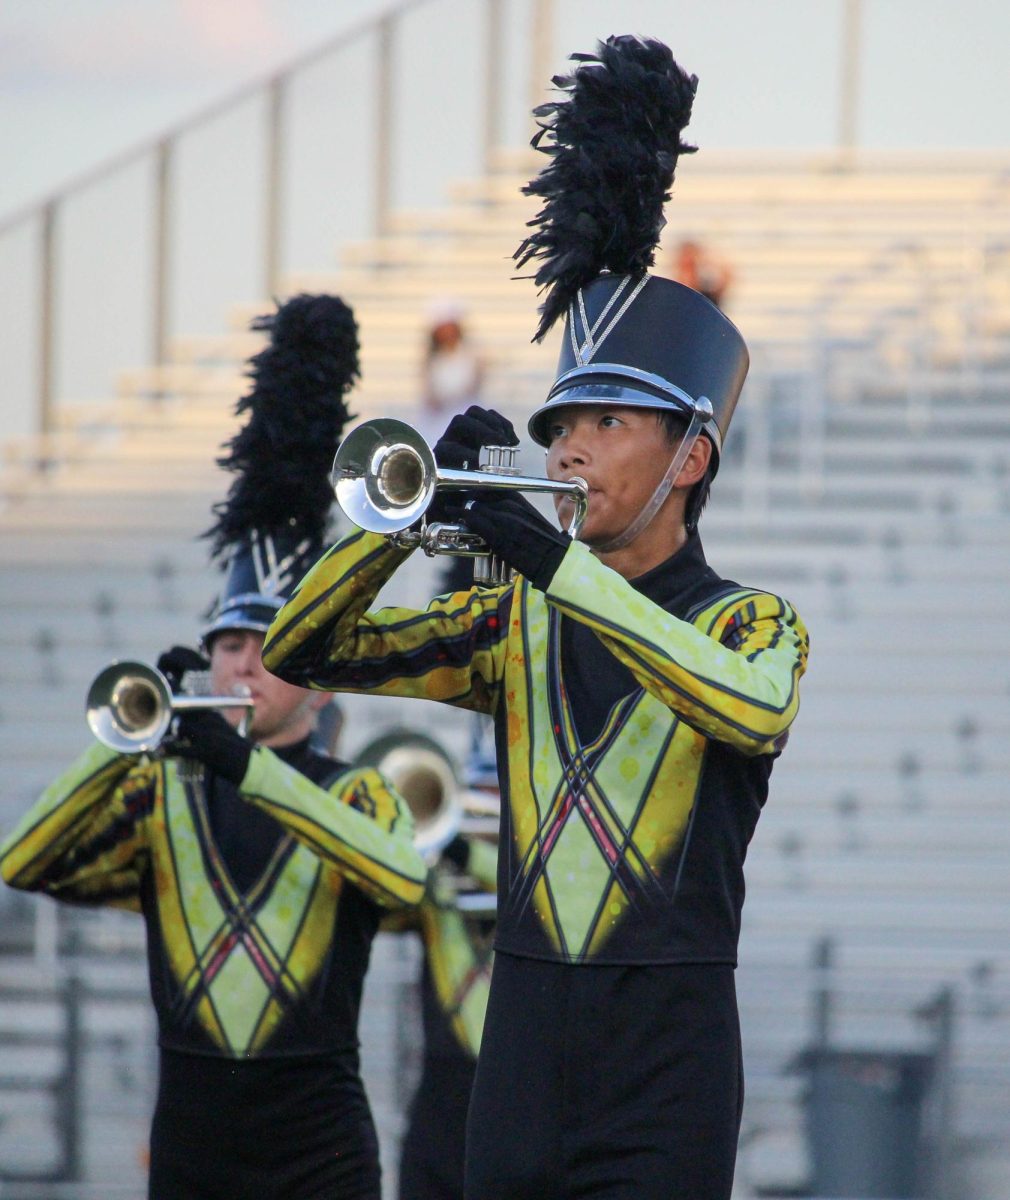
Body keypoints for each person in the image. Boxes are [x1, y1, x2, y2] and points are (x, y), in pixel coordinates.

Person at [262, 37, 809, 1200]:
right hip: (513, 1069)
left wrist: (548, 566)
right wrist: (401, 520)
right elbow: (303, 651)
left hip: (665, 1077)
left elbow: (750, 715)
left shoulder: (750, 623)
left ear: (690, 455)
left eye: (608, 421)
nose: (566, 445)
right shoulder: (506, 624)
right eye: (561, 419)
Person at [1, 293, 427, 1200]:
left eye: (268, 652)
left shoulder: (356, 796)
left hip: (323, 1160)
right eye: (229, 645)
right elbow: (22, 860)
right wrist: (128, 738)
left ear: (314, 674)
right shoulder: (163, 797)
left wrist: (250, 768)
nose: (241, 669)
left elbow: (401, 882)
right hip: (192, 1160)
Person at [417, 298, 485, 449]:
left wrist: (452, 400)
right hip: (437, 420)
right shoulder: (431, 359)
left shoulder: (471, 355)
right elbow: (428, 392)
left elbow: (473, 386)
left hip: (464, 413)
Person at [670, 237, 735, 310]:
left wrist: (709, 260)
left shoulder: (706, 296)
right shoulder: (671, 292)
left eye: (691, 264)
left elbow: (727, 277)